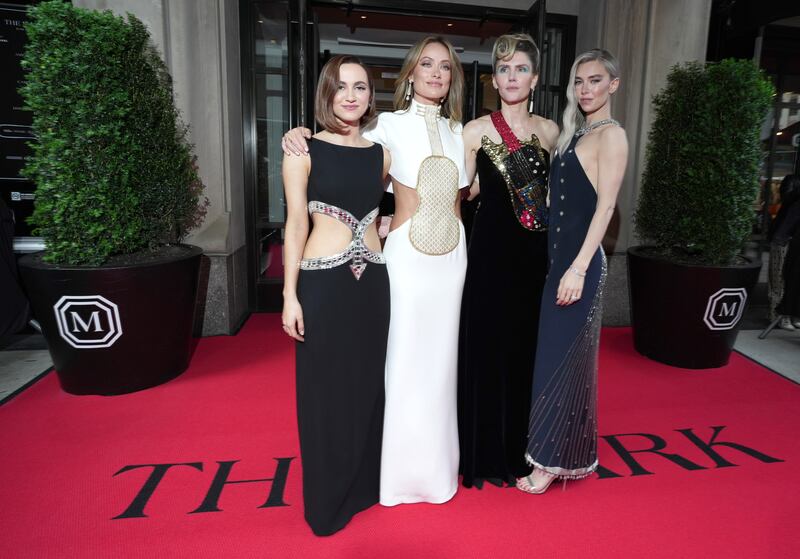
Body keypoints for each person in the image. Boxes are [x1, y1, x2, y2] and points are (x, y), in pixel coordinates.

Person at [283, 37, 469, 506]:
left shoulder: (455, 132)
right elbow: (318, 197)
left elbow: (390, 188)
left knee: (436, 367)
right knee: (397, 367)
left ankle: (431, 471)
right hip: (383, 266)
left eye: (444, 66)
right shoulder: (386, 126)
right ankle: (392, 477)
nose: (435, 73)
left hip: (436, 264)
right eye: (425, 63)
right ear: (408, 73)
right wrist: (297, 132)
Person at [281, 55, 391, 535]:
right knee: (324, 393)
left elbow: (389, 208)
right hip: (323, 286)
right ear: (327, 92)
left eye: (361, 87)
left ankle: (365, 486)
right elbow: (294, 225)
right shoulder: (301, 150)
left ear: (371, 96)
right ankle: (327, 502)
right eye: (341, 86)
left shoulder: (381, 154)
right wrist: (289, 295)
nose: (351, 95)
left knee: (369, 387)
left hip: (374, 287)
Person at [517, 49, 628, 494]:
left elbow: (606, 208)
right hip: (556, 262)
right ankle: (564, 453)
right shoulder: (576, 133)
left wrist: (579, 269)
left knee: (561, 362)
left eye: (595, 80)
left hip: (578, 266)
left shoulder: (611, 137)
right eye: (579, 81)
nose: (586, 89)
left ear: (613, 85)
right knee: (555, 359)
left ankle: (550, 463)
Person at [457, 33, 559, 488]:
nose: (512, 76)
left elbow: (557, 197)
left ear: (534, 78)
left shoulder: (552, 131)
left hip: (535, 258)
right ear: (494, 80)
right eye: (504, 69)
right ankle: (485, 450)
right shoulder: (476, 130)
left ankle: (525, 446)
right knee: (487, 348)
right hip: (490, 254)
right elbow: (462, 193)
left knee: (527, 351)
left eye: (520, 68)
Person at [767, 174, 800, 330]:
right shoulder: (792, 180)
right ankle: (777, 315)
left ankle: (792, 314)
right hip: (784, 238)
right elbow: (786, 199)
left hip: (796, 241)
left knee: (793, 278)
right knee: (779, 277)